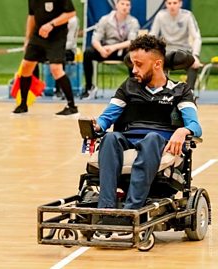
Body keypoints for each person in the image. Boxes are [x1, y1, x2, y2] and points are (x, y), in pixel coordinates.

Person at [91, 35, 202, 240]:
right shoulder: (129, 87)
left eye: (139, 64)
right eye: (133, 63)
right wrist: (96, 125)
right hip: (128, 139)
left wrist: (182, 131)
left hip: (159, 142)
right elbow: (107, 117)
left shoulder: (180, 91)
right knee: (109, 139)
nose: (134, 70)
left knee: (151, 138)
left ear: (158, 64)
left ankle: (133, 212)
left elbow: (195, 125)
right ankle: (105, 212)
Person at [13, 0, 78, 115]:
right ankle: (23, 104)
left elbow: (71, 13)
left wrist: (51, 25)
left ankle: (72, 106)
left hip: (57, 37)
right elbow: (31, 16)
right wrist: (27, 39)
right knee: (26, 66)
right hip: (38, 36)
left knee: (56, 69)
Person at [81, 0, 140, 99]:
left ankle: (133, 89)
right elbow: (95, 39)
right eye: (122, 4)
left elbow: (131, 41)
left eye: (127, 5)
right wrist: (101, 50)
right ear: (116, 5)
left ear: (130, 7)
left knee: (132, 56)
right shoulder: (105, 19)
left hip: (122, 51)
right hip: (106, 50)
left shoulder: (133, 22)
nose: (125, 7)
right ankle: (89, 87)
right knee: (87, 53)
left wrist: (114, 47)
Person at [149, 0, 202, 90]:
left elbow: (196, 37)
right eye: (169, 3)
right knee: (157, 62)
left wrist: (195, 55)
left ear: (180, 4)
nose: (172, 6)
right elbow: (152, 35)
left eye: (175, 3)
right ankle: (162, 91)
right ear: (166, 4)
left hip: (184, 51)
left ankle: (190, 93)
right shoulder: (160, 15)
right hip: (166, 51)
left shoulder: (187, 15)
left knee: (193, 63)